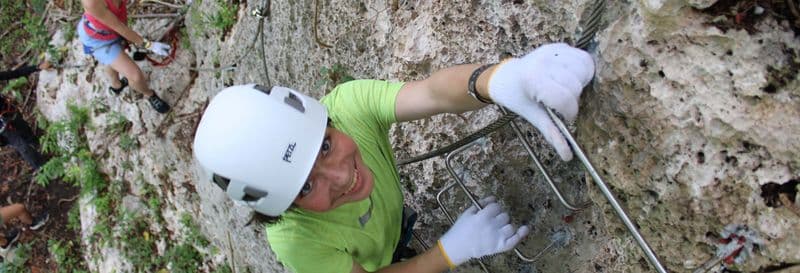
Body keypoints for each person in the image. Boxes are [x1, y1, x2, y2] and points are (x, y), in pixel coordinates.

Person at [193, 43, 595, 273]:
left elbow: (432, 94)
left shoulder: (348, 108)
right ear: (282, 208)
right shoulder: (297, 241)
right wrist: (444, 254)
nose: (341, 177)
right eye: (306, 186)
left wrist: (496, 79)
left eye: (327, 146)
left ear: (327, 120)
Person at [78, 0, 171, 113]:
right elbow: (118, 26)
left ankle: (116, 86)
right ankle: (149, 94)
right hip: (99, 41)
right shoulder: (91, 2)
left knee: (114, 60)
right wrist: (148, 45)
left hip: (111, 29)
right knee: (135, 76)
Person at [0, 61, 52, 170]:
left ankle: (41, 146)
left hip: (9, 112)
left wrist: (37, 67)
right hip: (3, 127)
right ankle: (44, 169)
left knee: (26, 132)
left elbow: (14, 73)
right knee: (23, 146)